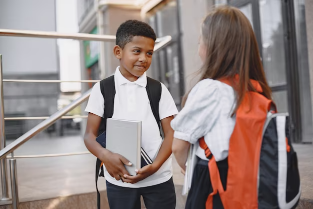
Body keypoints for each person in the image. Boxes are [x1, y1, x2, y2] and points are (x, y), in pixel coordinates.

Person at [171, 6, 272, 209]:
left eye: (200, 42)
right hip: (249, 181)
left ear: (212, 48)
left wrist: (187, 167)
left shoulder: (210, 89)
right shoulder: (254, 88)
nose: (198, 49)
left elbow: (178, 146)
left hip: (214, 184)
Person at [83, 20, 177, 209]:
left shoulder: (158, 89)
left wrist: (155, 166)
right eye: (137, 51)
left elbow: (171, 133)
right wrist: (104, 156)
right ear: (118, 52)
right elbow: (89, 136)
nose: (144, 58)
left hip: (159, 178)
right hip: (119, 180)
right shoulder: (102, 89)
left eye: (149, 53)